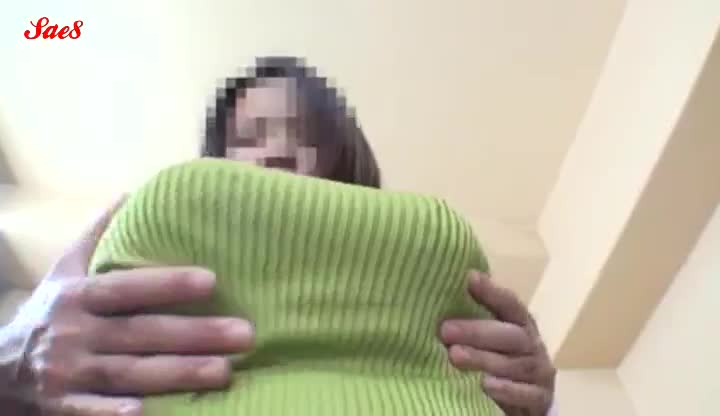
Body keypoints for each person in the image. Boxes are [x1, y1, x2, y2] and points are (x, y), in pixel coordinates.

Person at [0, 57, 556, 415]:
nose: (280, 151)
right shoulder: (136, 262)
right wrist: (9, 367)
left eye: (309, 136)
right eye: (248, 137)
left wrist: (534, 402)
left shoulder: (432, 264)